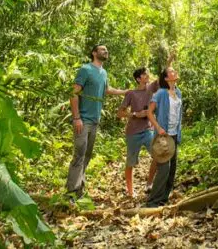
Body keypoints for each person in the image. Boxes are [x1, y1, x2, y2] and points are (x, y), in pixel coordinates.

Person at [66, 44, 127, 197]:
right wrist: (76, 118)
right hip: (83, 120)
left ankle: (79, 190)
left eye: (107, 50)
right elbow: (73, 93)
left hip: (95, 121)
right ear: (94, 53)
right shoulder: (85, 69)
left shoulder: (103, 72)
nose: (106, 51)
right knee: (79, 155)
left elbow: (107, 90)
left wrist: (126, 91)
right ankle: (71, 192)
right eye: (102, 49)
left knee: (87, 156)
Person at [144, 67, 182, 207]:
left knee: (172, 168)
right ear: (166, 78)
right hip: (163, 136)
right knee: (164, 169)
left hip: (174, 134)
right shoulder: (160, 93)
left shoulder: (178, 92)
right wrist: (158, 127)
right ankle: (153, 201)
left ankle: (164, 198)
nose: (175, 72)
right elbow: (149, 112)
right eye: (171, 71)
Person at [117, 67, 156, 197]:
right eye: (144, 74)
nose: (147, 75)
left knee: (158, 155)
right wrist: (135, 114)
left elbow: (163, 78)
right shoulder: (131, 93)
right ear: (138, 79)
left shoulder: (151, 89)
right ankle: (130, 192)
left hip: (148, 130)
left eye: (147, 73)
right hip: (133, 132)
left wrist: (170, 60)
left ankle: (149, 184)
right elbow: (120, 113)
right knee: (130, 162)